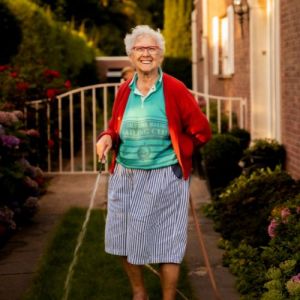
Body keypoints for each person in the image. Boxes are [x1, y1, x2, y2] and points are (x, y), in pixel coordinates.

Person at [96, 25, 211, 300]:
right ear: (130, 55)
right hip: (125, 174)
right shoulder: (124, 90)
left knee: (167, 241)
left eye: (151, 48)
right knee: (122, 236)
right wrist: (107, 138)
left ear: (160, 54)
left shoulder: (175, 89)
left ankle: (168, 298)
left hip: (165, 175)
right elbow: (114, 127)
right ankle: (140, 294)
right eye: (139, 48)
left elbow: (202, 131)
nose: (145, 53)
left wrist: (179, 153)